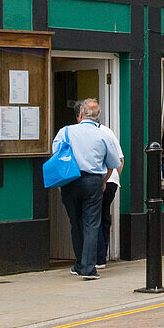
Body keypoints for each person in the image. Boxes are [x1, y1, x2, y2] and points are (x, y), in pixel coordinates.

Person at [53, 98, 121, 280]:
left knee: (76, 224)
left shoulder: (65, 132)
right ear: (98, 117)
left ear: (81, 114)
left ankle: (79, 264)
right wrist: (104, 181)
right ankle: (89, 269)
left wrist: (60, 184)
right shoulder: (104, 135)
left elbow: (57, 158)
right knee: (92, 224)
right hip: (93, 181)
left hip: (69, 181)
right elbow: (114, 163)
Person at [96, 119, 124, 268]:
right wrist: (114, 177)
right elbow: (120, 160)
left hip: (97, 179)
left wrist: (104, 180)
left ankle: (97, 257)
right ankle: (103, 256)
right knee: (104, 216)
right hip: (112, 179)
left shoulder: (81, 132)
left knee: (94, 219)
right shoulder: (108, 132)